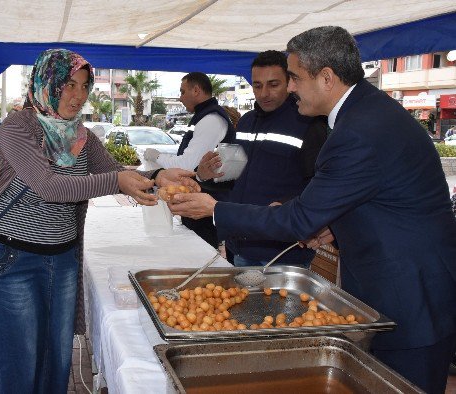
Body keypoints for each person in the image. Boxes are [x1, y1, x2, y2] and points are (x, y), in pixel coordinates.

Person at [169, 26, 456, 393]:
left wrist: (214, 210)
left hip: (412, 298)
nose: (289, 89)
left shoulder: (360, 129)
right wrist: (334, 225)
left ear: (326, 78)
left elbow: (300, 218)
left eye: (293, 78)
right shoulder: (364, 113)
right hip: (395, 287)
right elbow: (381, 196)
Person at [0, 48, 197, 394]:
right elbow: (48, 186)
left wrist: (157, 176)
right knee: (17, 361)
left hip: (62, 260)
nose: (77, 96)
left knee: (55, 357)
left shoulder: (81, 135)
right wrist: (116, 182)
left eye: (83, 87)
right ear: (47, 82)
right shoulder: (18, 126)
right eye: (68, 85)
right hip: (12, 259)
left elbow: (114, 173)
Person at [198, 50, 327, 268]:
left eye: (273, 84)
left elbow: (319, 188)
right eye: (257, 85)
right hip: (236, 244)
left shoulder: (309, 124)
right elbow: (232, 178)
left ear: (290, 82)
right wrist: (206, 176)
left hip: (280, 254)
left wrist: (286, 207)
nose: (264, 93)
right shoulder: (247, 122)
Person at [144, 72, 235, 248]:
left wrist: (157, 157)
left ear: (196, 90)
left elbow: (187, 165)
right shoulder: (204, 116)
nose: (180, 97)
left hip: (207, 203)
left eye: (183, 92)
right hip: (199, 198)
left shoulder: (211, 120)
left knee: (200, 254)